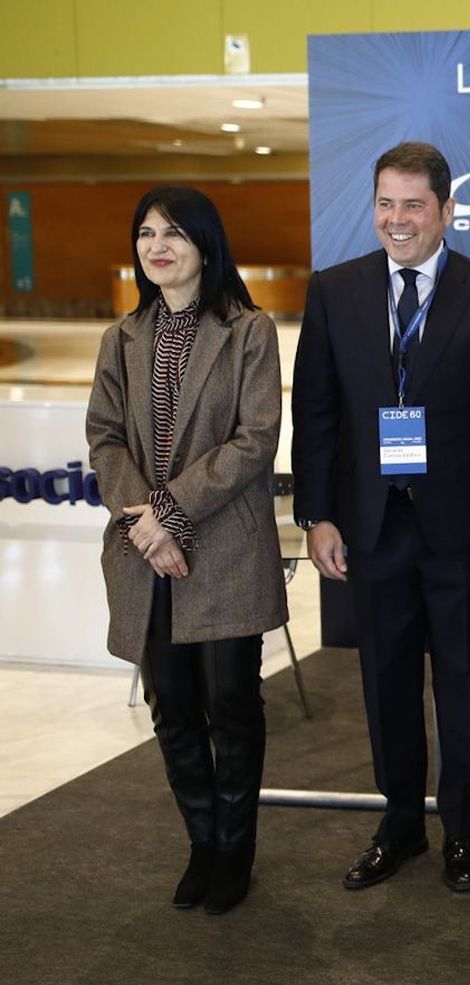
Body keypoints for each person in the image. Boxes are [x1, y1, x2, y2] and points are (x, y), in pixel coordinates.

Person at [291, 141, 470, 893]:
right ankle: (399, 825)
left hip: (462, 530)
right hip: (370, 527)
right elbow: (316, 413)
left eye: (414, 205)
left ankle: (461, 831)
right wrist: (317, 516)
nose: (397, 220)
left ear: (447, 210)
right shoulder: (334, 290)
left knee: (461, 682)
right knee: (384, 683)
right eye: (385, 204)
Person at [86, 186, 287, 916]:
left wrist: (170, 514)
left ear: (205, 243)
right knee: (171, 707)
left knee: (231, 705)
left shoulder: (248, 331)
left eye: (173, 233)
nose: (157, 247)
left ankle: (235, 850)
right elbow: (105, 438)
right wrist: (149, 527)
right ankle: (201, 843)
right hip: (146, 556)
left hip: (225, 548)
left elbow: (255, 440)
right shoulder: (122, 338)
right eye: (146, 234)